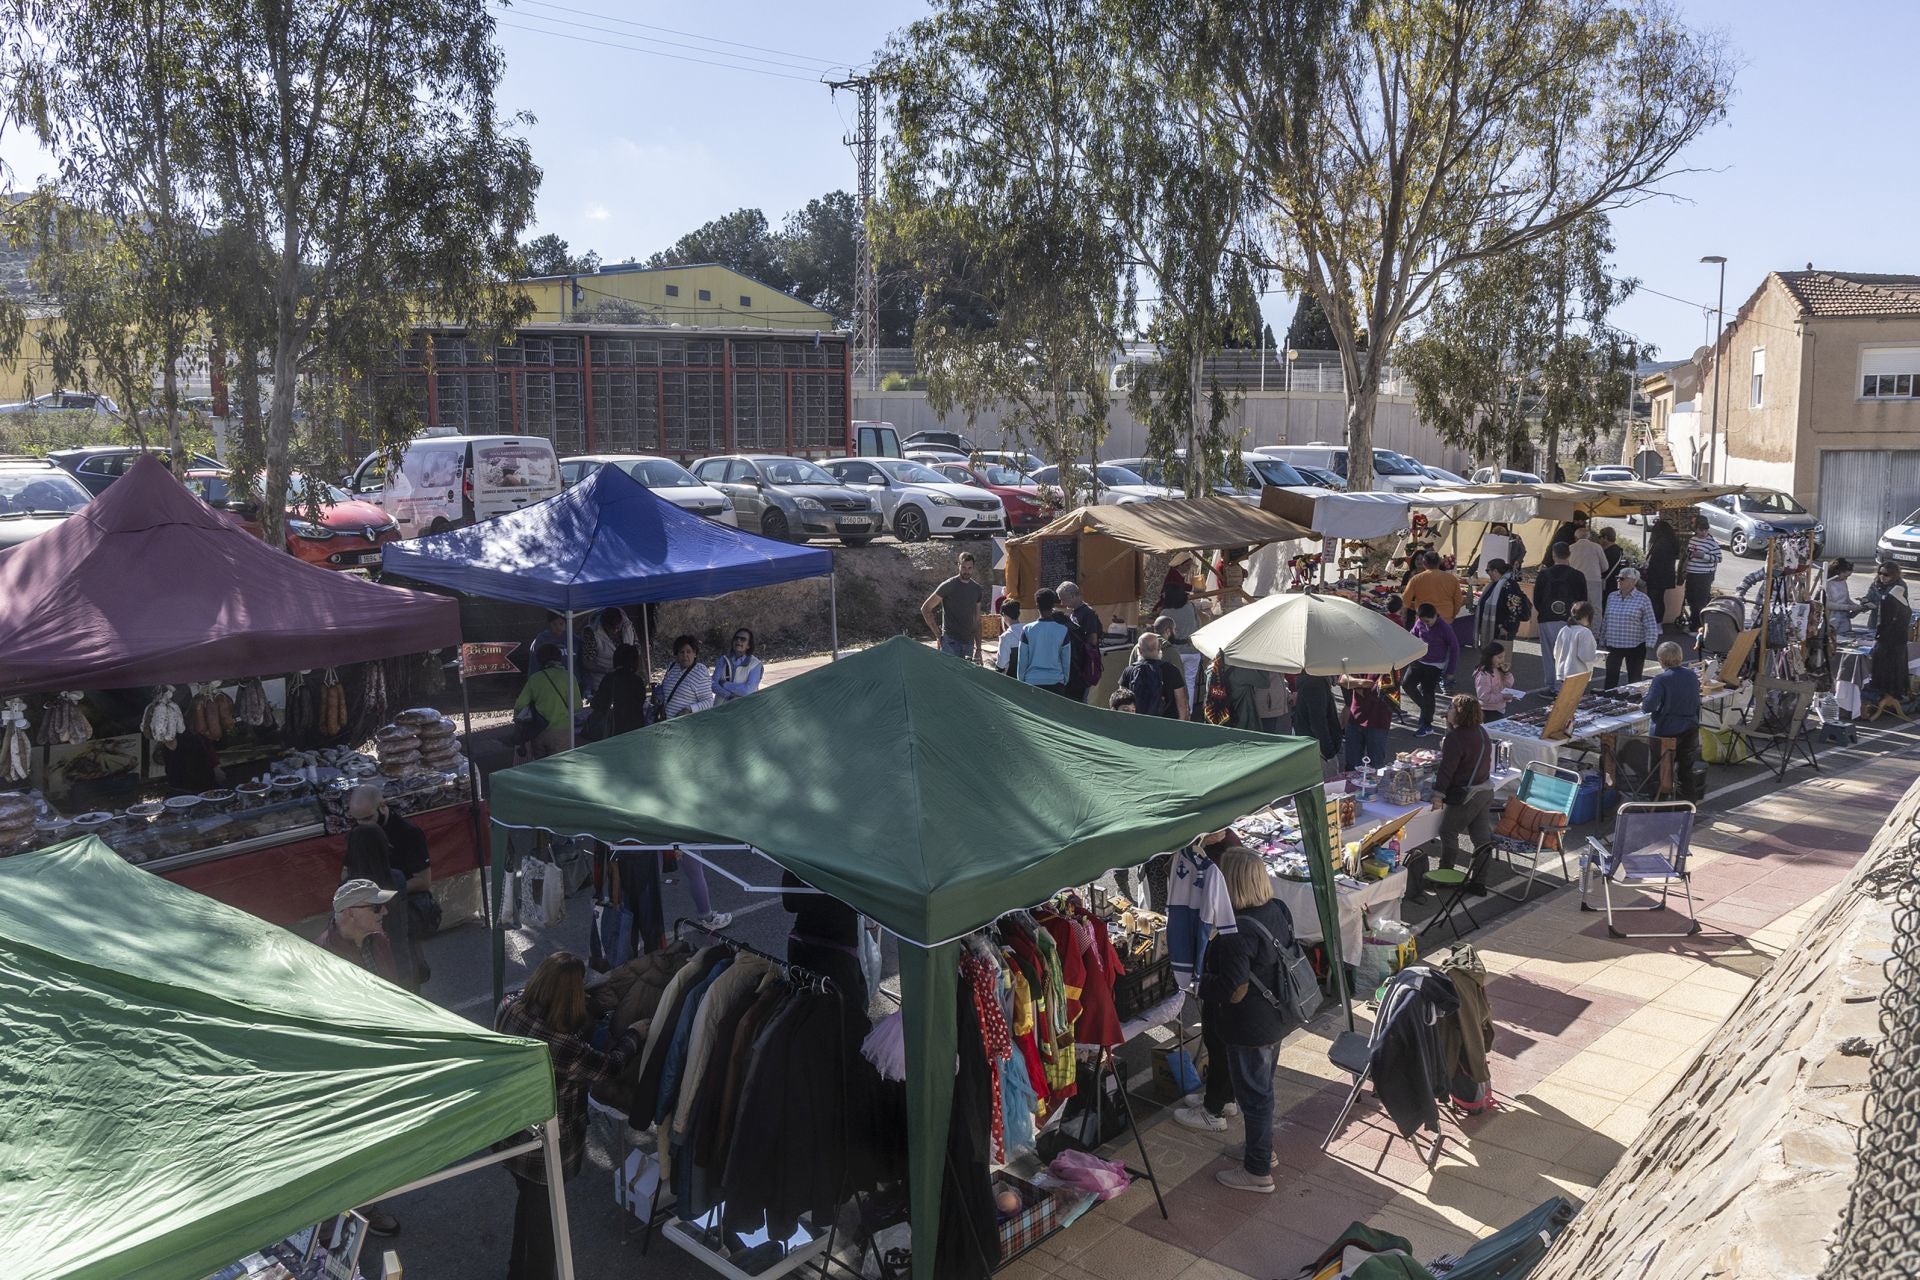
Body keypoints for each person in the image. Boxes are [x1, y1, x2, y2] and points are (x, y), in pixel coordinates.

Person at [495, 951, 646, 1280]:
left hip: (509, 1133)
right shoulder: (564, 1046)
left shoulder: (509, 1007)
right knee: (545, 1231)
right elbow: (608, 1067)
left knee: (531, 1208)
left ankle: (515, 1273)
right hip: (545, 1151)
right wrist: (635, 1034)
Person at [1186, 845, 1295, 1194]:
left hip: (1249, 1026)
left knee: (1256, 1097)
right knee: (1262, 1090)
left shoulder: (1237, 933)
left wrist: (1196, 982)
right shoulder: (1277, 909)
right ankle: (1262, 1151)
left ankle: (1258, 1170)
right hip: (1277, 1016)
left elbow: (1233, 990)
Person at [313, 878, 405, 1238]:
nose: (385, 912)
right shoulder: (322, 955)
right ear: (349, 913)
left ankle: (364, 1207)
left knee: (375, 1139)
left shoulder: (379, 941)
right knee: (341, 1144)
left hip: (380, 1057)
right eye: (376, 907)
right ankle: (327, 1222)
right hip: (344, 1067)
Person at [346, 783, 433, 983]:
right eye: (357, 821)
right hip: (370, 916)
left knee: (404, 964)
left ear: (383, 806)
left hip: (400, 912)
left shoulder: (408, 833)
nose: (362, 825)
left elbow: (423, 881)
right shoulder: (359, 830)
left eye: (367, 818)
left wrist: (387, 891)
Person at [1418, 695, 1495, 897]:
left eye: (1451, 707)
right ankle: (1479, 882)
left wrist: (1438, 794)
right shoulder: (1481, 731)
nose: (1448, 710)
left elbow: (1447, 768)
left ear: (1459, 712)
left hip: (1467, 795)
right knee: (1482, 839)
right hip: (1485, 790)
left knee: (1448, 831)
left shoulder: (1456, 737)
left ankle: (1445, 876)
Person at [783, 869, 869, 1014]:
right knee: (847, 1017)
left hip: (801, 945)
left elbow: (790, 903)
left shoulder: (798, 853)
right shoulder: (854, 858)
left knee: (803, 1011)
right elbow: (867, 904)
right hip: (839, 953)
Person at [1643, 641, 1703, 798]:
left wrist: (1645, 701)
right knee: (1686, 772)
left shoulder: (1661, 679)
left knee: (1661, 772)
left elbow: (1648, 706)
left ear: (1661, 659)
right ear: (1680, 657)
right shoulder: (1691, 675)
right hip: (1690, 729)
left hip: (1666, 731)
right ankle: (1687, 807)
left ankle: (1658, 807)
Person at [1532, 542, 1588, 693]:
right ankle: (1565, 686)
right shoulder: (1578, 575)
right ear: (1569, 554)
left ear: (1553, 555)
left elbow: (1537, 599)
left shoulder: (1544, 574)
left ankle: (1552, 685)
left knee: (1549, 654)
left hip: (1547, 618)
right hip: (1570, 620)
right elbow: (1583, 601)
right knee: (1568, 654)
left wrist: (1544, 610)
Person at [1405, 602, 1459, 736]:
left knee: (1427, 691)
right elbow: (1412, 636)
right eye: (1423, 621)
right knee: (1407, 685)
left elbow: (1455, 648)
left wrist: (1450, 671)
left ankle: (1427, 724)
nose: (1426, 624)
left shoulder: (1444, 628)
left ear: (1435, 616)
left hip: (1435, 665)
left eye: (1428, 621)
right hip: (1419, 661)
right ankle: (1426, 709)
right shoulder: (1420, 623)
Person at [1601, 567, 1661, 688]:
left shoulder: (1643, 599)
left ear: (1633, 581)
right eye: (1617, 577)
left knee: (1635, 680)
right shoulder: (1611, 596)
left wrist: (1650, 643)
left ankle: (1635, 704)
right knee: (1610, 679)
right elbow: (1606, 619)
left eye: (1622, 578)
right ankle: (1608, 703)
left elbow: (1650, 622)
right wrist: (1602, 639)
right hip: (1613, 644)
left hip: (1635, 645)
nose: (1619, 580)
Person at [515, 644, 578, 759]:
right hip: (561, 731)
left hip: (539, 732)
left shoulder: (534, 678)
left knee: (542, 768)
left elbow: (519, 705)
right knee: (561, 768)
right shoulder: (569, 677)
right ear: (559, 658)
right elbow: (577, 706)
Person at [922, 551, 985, 660]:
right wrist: (938, 636)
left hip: (969, 644)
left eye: (970, 568)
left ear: (973, 568)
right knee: (948, 676)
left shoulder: (977, 589)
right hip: (950, 642)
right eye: (964, 567)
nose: (966, 571)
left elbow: (977, 621)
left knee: (965, 677)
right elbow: (925, 608)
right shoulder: (948, 586)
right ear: (958, 566)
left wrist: (979, 649)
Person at [1017, 589, 1075, 696]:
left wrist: (1021, 680)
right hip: (1056, 682)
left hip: (1032, 682)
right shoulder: (1062, 630)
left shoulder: (1027, 630)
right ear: (1053, 605)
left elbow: (1022, 660)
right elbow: (1066, 660)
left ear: (1037, 605)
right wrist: (1064, 680)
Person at [1120, 632, 1190, 720]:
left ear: (1139, 650)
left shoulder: (1129, 671)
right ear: (1159, 648)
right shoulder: (1172, 670)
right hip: (1166, 724)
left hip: (1137, 722)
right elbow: (1181, 704)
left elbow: (1122, 701)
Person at [589, 642, 650, 737]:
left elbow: (597, 703)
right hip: (636, 729)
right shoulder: (638, 680)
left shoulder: (609, 678)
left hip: (614, 730)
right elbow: (641, 701)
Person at [1058, 581, 1105, 701]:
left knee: (1081, 699)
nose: (1062, 603)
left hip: (1084, 664)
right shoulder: (1075, 613)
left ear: (1073, 596)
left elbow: (1093, 639)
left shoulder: (1088, 613)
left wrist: (1077, 642)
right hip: (1076, 664)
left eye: (1063, 599)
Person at [1341, 673, 1393, 769]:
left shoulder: (1391, 665)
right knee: (1351, 766)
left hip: (1378, 721)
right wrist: (1363, 682)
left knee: (1376, 767)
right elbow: (1342, 680)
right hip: (1355, 718)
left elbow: (1377, 693)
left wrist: (1354, 684)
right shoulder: (1360, 660)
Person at [1474, 558, 1530, 649]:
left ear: (1495, 571)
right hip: (1494, 629)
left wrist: (1506, 628)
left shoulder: (1510, 585)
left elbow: (1515, 609)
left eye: (1488, 570)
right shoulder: (1494, 584)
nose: (1487, 573)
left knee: (1500, 659)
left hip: (1502, 631)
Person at [581, 607, 636, 697]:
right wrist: (607, 670)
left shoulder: (627, 625)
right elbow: (587, 662)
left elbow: (636, 646)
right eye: (611, 628)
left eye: (618, 627)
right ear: (603, 624)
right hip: (601, 684)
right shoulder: (592, 633)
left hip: (626, 681)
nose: (615, 631)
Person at [655, 634, 713, 718]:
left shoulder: (700, 672)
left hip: (687, 725)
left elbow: (709, 702)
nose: (685, 655)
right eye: (681, 652)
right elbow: (665, 690)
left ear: (695, 654)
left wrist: (689, 709)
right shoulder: (672, 667)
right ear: (677, 654)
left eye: (688, 652)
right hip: (667, 723)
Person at [1401, 551, 1464, 626]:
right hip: (1446, 620)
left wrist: (1417, 607)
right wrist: (1452, 615)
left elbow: (1405, 600)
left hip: (1424, 621)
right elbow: (1458, 601)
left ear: (1424, 563)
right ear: (1439, 563)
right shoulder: (1452, 579)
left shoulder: (1416, 579)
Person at [1291, 673, 1341, 767]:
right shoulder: (1316, 683)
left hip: (1312, 747)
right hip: (1318, 753)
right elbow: (1318, 723)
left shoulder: (1315, 681)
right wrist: (1328, 751)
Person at [1683, 515, 1722, 630]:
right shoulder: (1692, 539)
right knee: (1691, 598)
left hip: (1704, 575)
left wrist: (1703, 556)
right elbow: (1688, 553)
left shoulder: (1712, 543)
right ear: (1696, 529)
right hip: (1692, 573)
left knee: (1700, 601)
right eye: (1701, 530)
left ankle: (1697, 625)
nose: (1703, 532)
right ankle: (1694, 622)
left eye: (1705, 530)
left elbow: (1719, 558)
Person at [1643, 517, 1684, 626]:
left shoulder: (1659, 544)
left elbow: (1653, 562)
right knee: (1659, 599)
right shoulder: (1672, 543)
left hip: (1656, 576)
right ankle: (1658, 622)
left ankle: (1655, 622)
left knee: (1654, 600)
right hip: (1666, 575)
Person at [711, 627, 764, 703]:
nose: (738, 640)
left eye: (743, 639)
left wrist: (724, 683)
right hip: (720, 707)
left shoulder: (755, 664)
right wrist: (729, 695)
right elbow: (713, 684)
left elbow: (748, 691)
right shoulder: (723, 659)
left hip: (743, 709)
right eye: (736, 638)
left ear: (748, 645)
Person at [1555, 602, 1600, 688]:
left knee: (1566, 698)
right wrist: (1600, 656)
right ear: (1587, 616)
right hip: (1578, 674)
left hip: (1563, 671)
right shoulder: (1585, 632)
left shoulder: (1564, 630)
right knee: (1575, 699)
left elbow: (1556, 651)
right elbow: (1587, 657)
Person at [1569, 527, 1609, 624]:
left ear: (1575, 537)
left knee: (1576, 607)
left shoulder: (1570, 548)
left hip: (1575, 581)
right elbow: (1605, 567)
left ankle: (1576, 629)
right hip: (1594, 580)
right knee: (1595, 608)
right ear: (1589, 537)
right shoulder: (1597, 547)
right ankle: (1594, 634)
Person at [1473, 643, 1517, 720]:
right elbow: (1483, 696)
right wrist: (1502, 696)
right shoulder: (1483, 675)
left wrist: (1506, 673)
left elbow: (1509, 684)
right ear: (1489, 657)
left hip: (1499, 708)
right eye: (1499, 657)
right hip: (1488, 710)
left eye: (1503, 657)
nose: (1502, 660)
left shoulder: (1498, 669)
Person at [1865, 561, 1910, 633]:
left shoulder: (1899, 586)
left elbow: (1893, 605)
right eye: (1880, 573)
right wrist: (1865, 600)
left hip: (1891, 622)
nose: (1882, 576)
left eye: (1886, 574)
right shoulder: (1876, 583)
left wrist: (1875, 606)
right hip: (1874, 620)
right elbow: (1870, 596)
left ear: (1893, 575)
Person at [1824, 559, 1863, 639]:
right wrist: (1848, 607)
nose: (1846, 579)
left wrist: (1857, 607)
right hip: (1832, 619)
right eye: (1845, 576)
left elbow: (1846, 599)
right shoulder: (1827, 583)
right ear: (1837, 572)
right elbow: (1827, 604)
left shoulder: (1843, 582)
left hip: (1844, 620)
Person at [993, 599, 1026, 675]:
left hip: (1012, 679)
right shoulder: (1030, 631)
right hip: (1030, 678)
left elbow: (1001, 666)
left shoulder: (1005, 637)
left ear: (1004, 615)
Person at [1254, 669, 1291, 735]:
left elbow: (1281, 679)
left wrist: (1288, 694)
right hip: (1267, 707)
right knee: (1267, 736)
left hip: (1277, 705)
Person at [1598, 527, 1625, 599]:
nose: (1599, 539)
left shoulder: (1609, 552)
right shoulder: (1617, 550)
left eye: (1600, 537)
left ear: (1605, 537)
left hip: (1608, 584)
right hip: (1613, 583)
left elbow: (1603, 568)